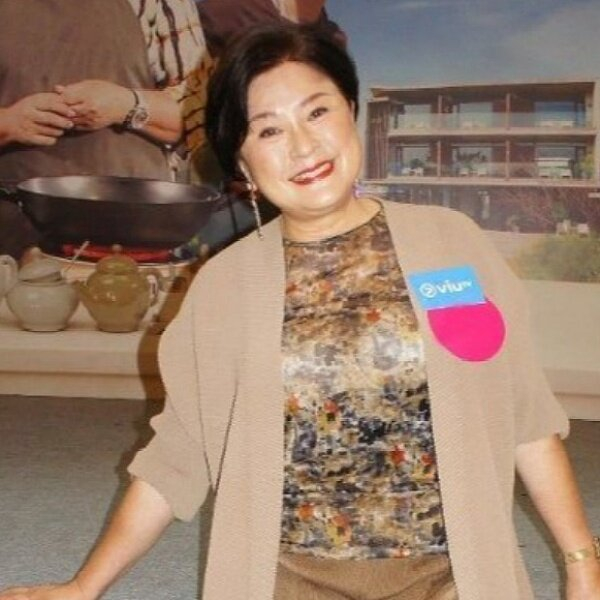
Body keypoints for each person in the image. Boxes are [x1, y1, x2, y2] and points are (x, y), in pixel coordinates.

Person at [1, 23, 599, 600]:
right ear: (243, 166)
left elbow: (525, 414)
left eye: (317, 112)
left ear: (351, 112)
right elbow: (179, 454)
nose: (303, 146)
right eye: (268, 130)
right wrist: (83, 587)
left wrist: (581, 564)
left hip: (456, 576)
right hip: (287, 581)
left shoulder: (450, 244)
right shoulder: (223, 288)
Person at [0, 0, 212, 258]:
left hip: (136, 231)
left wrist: (126, 105)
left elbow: (200, 117)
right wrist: (9, 123)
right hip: (12, 231)